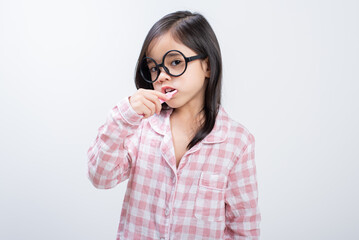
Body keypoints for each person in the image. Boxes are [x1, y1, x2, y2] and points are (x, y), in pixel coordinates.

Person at [87, 10, 261, 240]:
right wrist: (123, 116)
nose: (161, 76)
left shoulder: (237, 142)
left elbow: (243, 227)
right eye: (154, 68)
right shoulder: (139, 126)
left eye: (175, 62)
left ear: (207, 66)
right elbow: (100, 177)